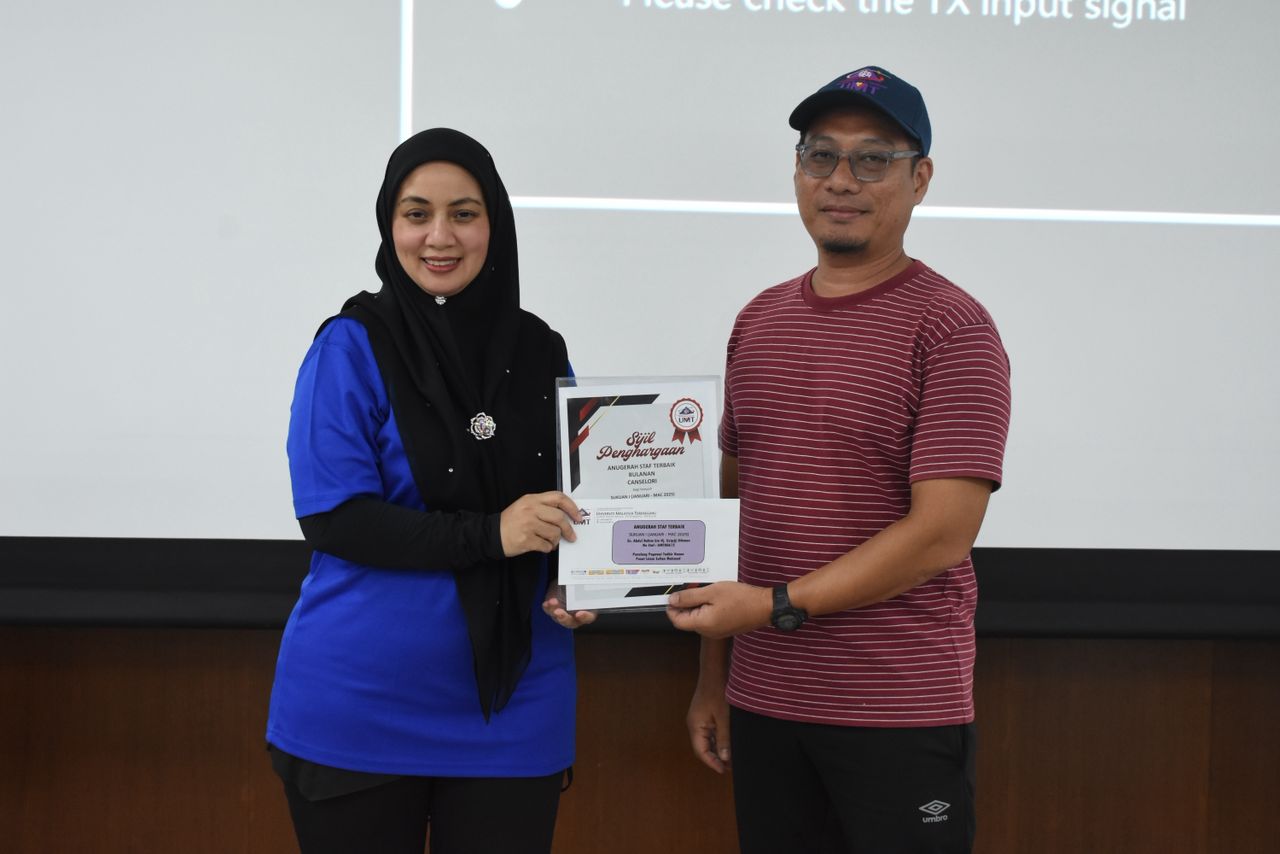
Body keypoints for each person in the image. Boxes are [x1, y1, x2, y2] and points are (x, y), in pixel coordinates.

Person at [667, 67, 1012, 853]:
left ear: (920, 179)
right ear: (798, 172)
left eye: (873, 159)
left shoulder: (954, 329)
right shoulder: (759, 321)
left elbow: (942, 534)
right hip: (763, 703)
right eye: (820, 156)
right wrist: (714, 677)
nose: (841, 180)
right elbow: (732, 513)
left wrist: (774, 607)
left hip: (897, 711)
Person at [266, 128, 594, 854]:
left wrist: (584, 576)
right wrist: (491, 534)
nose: (439, 237)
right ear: (390, 226)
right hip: (360, 704)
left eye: (464, 214)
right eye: (417, 214)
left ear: (494, 224)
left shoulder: (541, 350)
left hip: (514, 702)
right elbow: (335, 518)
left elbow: (576, 499)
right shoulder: (350, 344)